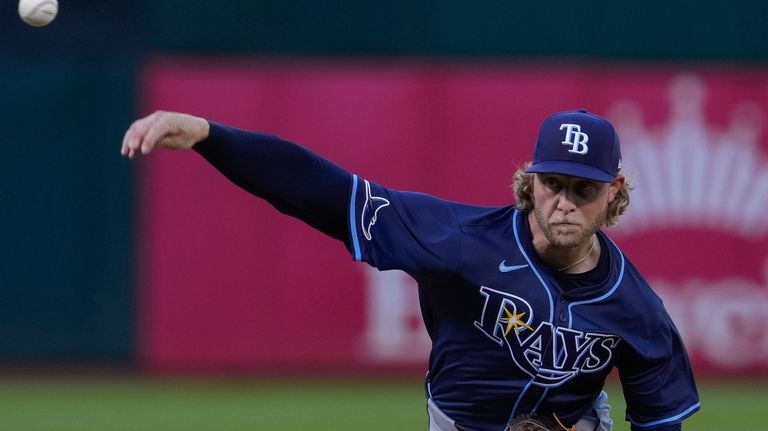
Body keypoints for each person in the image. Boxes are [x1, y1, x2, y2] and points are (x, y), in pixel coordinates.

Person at [121, 109, 700, 431]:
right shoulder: (460, 242)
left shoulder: (638, 311)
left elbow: (660, 425)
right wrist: (207, 135)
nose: (564, 202)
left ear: (614, 192)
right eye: (553, 183)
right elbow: (320, 191)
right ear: (532, 179)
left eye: (584, 188)